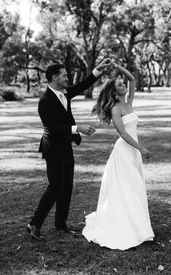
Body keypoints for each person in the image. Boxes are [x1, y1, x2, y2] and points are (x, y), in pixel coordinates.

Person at [27, 59, 111, 241]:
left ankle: (60, 223)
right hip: (53, 148)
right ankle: (34, 224)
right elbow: (52, 127)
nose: (67, 77)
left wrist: (97, 70)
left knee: (66, 187)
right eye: (64, 75)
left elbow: (83, 85)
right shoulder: (45, 101)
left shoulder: (64, 93)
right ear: (55, 77)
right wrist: (76, 128)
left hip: (65, 146)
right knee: (55, 187)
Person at [82, 63, 154, 250]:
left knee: (135, 187)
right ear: (114, 93)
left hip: (133, 151)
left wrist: (118, 68)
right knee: (127, 188)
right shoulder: (116, 109)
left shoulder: (129, 102)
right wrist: (141, 148)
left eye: (123, 85)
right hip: (124, 152)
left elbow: (132, 79)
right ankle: (125, 226)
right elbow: (122, 133)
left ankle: (138, 226)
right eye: (120, 85)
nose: (124, 86)